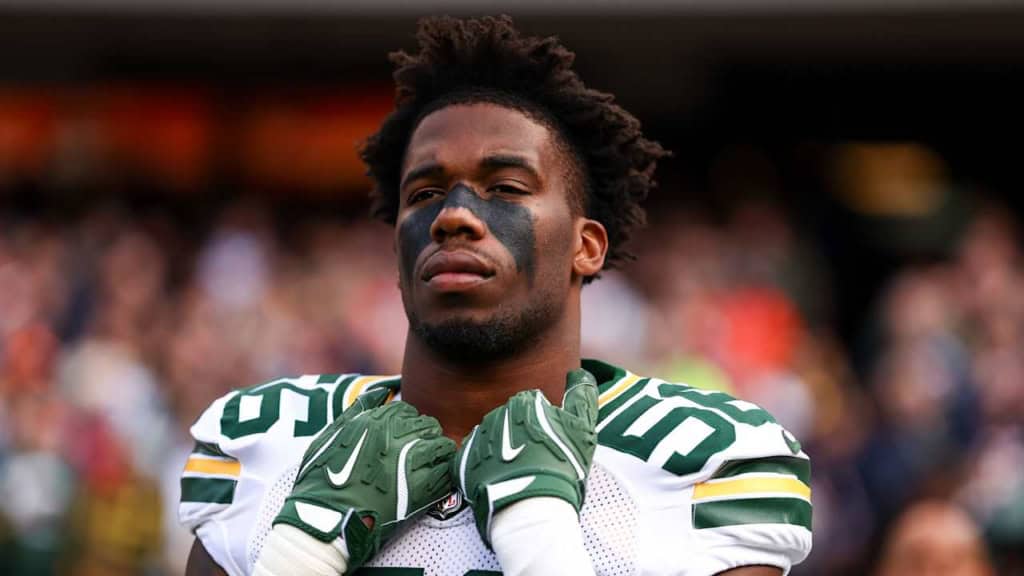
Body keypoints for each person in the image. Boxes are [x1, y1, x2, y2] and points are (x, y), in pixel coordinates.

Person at [181, 15, 812, 576]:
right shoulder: (270, 442)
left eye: (506, 187)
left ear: (586, 246)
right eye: (424, 194)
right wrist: (301, 552)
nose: (453, 216)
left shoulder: (704, 460)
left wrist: (541, 540)